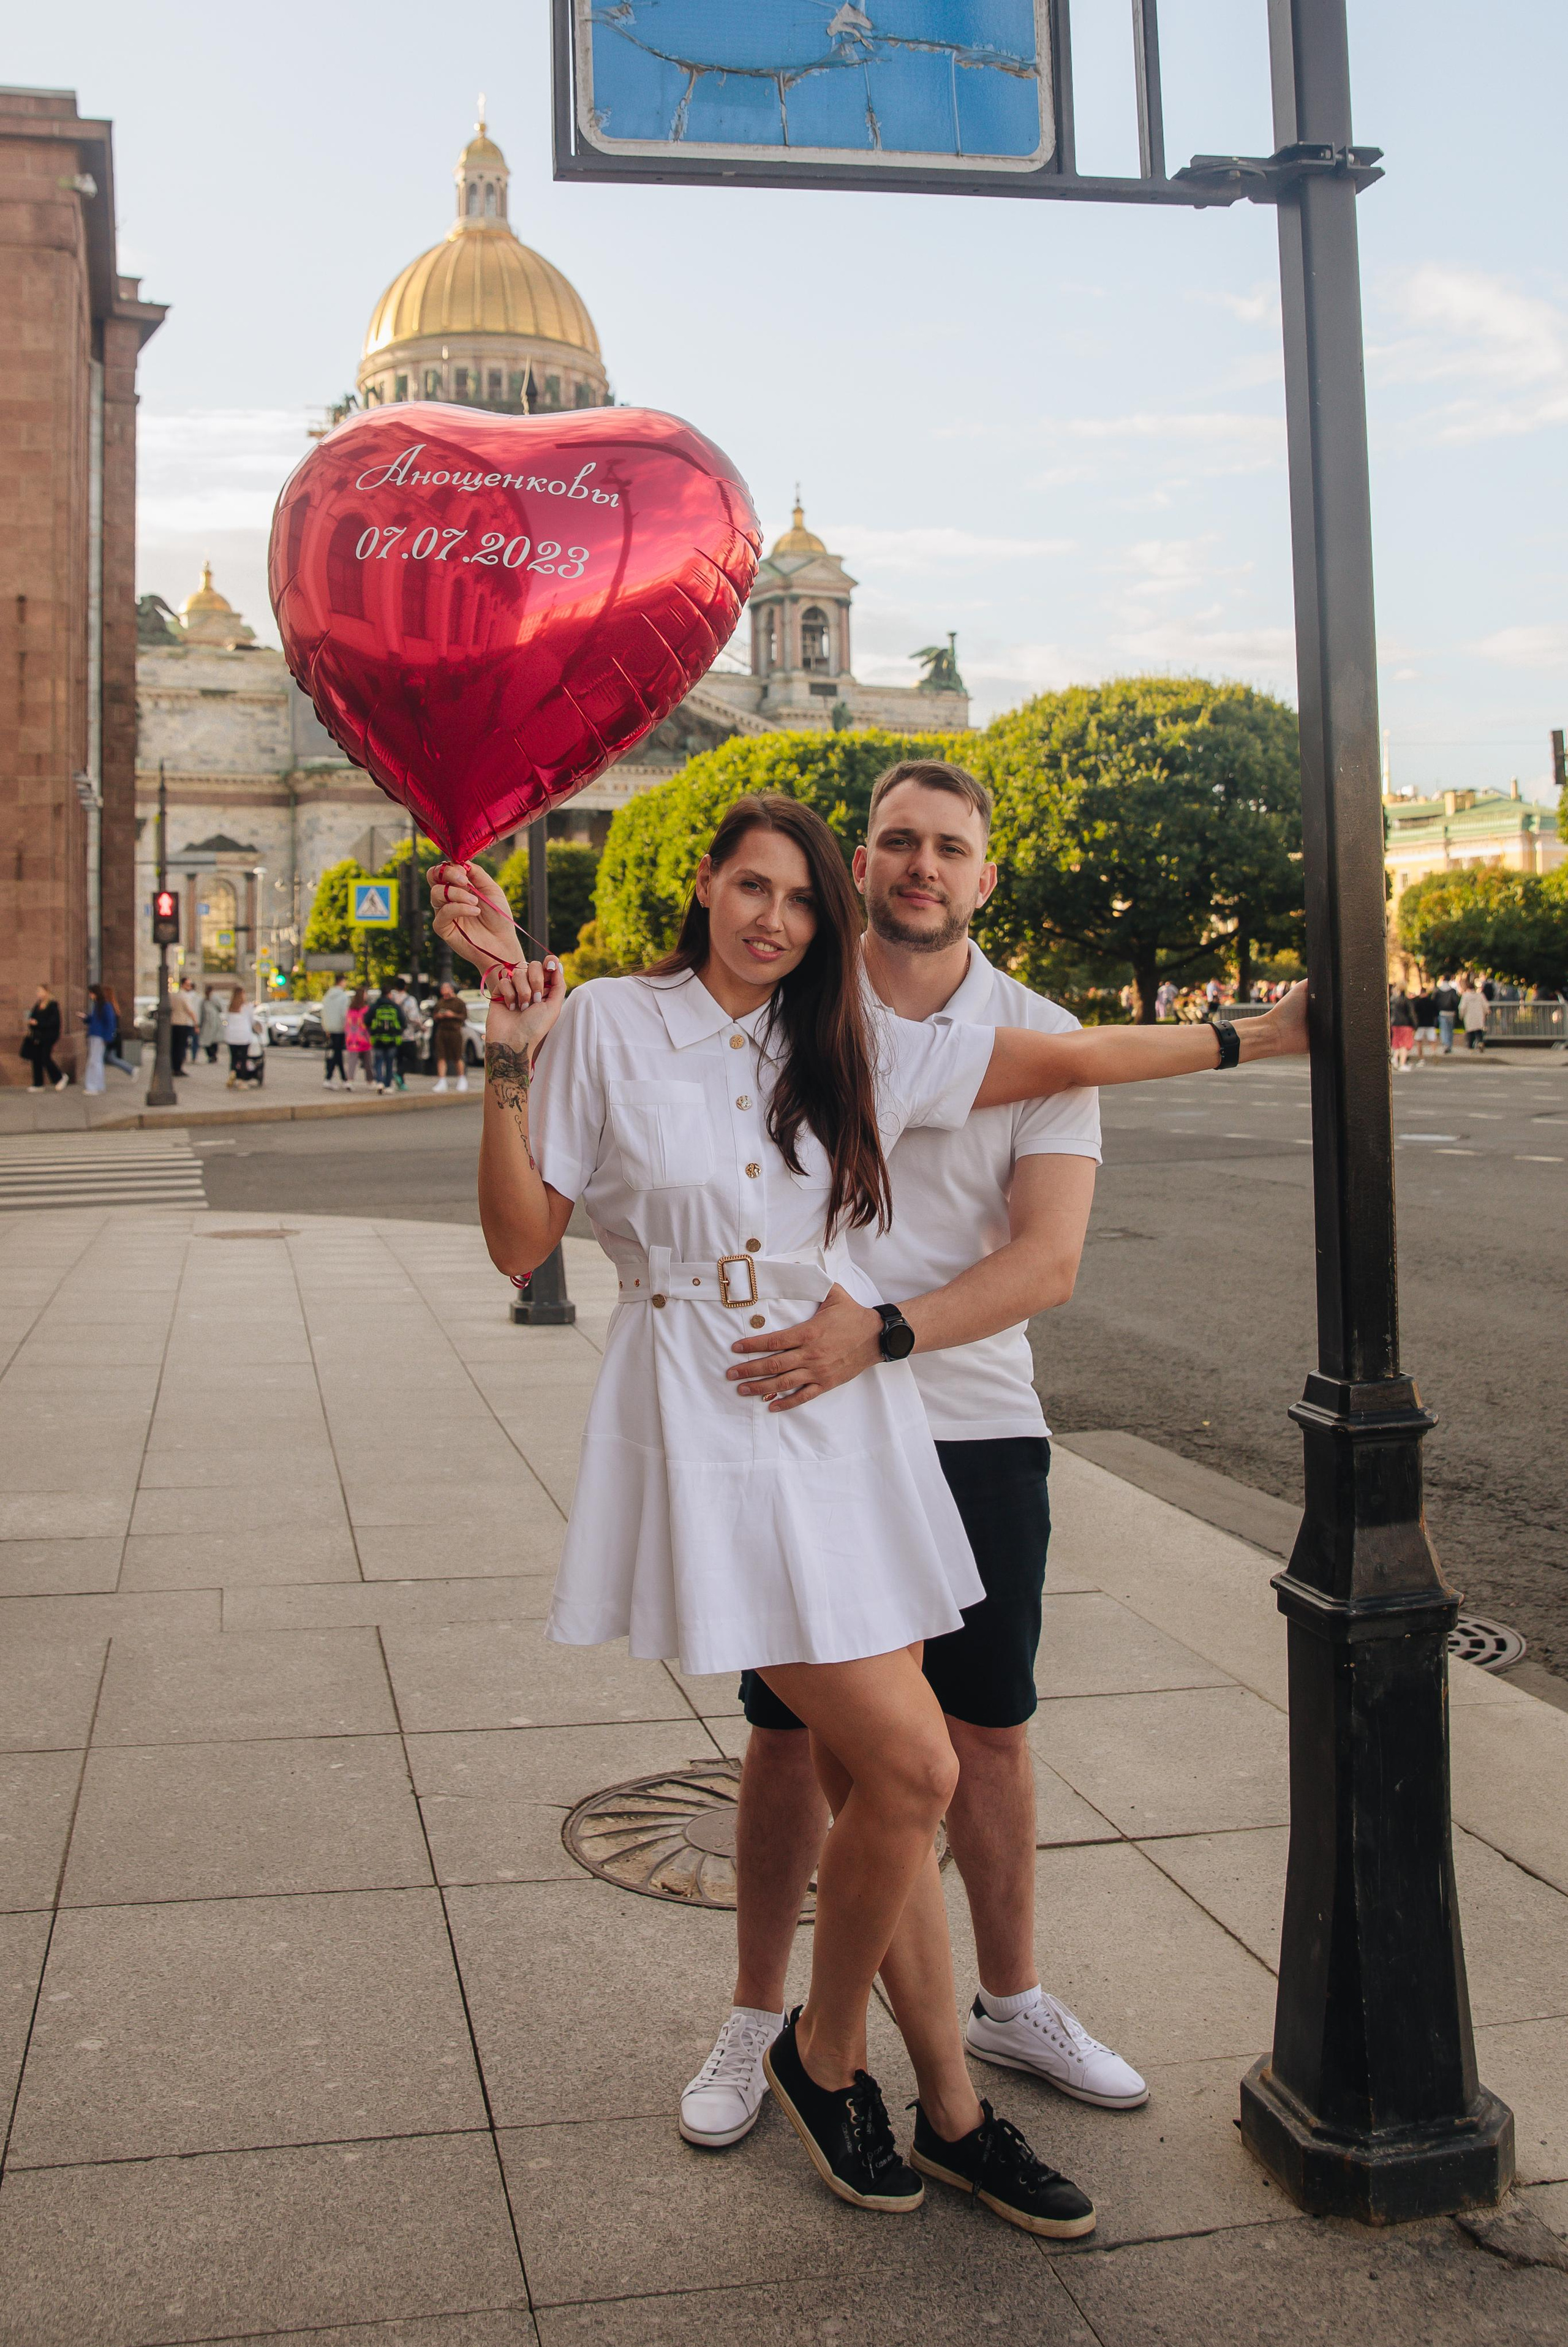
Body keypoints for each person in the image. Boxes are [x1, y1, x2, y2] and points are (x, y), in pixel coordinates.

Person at [431, 796, 1308, 2238]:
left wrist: (1250, 1039)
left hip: (846, 1415)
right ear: (702, 885)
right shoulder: (599, 1019)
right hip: (706, 1410)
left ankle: (946, 2107)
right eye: (751, 886)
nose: (773, 917)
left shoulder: (841, 1040)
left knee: (895, 1773)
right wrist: (506, 1061)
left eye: (797, 899)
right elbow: (522, 1240)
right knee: (908, 1768)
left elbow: (1069, 1053)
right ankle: (817, 2054)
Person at [678, 761, 1144, 2164]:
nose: (919, 866)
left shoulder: (1041, 1038)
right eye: (894, 842)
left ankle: (1010, 2000)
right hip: (810, 1438)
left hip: (974, 1421)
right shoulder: (788, 1019)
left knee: (987, 1732)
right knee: (784, 1736)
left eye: (948, 847)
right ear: (859, 866)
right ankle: (756, 2015)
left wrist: (875, 1334)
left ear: (984, 877)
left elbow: (1042, 1261)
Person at [21, 984, 68, 1091]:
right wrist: (32, 1023)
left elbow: (53, 1022)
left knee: (45, 1058)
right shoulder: (38, 1005)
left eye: (40, 991)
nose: (38, 993)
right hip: (37, 1036)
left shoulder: (52, 1005)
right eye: (37, 991)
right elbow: (32, 1018)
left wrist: (38, 1023)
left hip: (49, 1036)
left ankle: (60, 1077)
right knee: (36, 1058)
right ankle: (38, 1084)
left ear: (47, 992)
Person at [429, 981, 470, 1093]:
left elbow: (464, 1016)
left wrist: (453, 1015)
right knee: (441, 1057)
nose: (443, 990)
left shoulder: (459, 1002)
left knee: (457, 1056)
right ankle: (442, 1081)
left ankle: (462, 1079)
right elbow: (435, 1016)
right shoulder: (440, 1002)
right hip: (442, 1031)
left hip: (455, 1031)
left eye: (445, 987)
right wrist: (440, 1016)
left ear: (451, 989)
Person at [368, 985, 405, 1093]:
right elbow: (403, 1022)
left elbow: (367, 1021)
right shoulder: (395, 1007)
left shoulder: (375, 1006)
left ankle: (380, 1082)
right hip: (392, 1039)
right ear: (389, 994)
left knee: (378, 1061)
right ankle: (388, 1085)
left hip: (378, 1038)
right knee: (390, 1063)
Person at [82, 984, 119, 1094]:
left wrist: (107, 1037)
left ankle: (94, 1086)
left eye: (91, 993)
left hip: (99, 1036)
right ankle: (97, 1085)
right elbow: (95, 1020)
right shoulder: (98, 1006)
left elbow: (110, 1023)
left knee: (95, 1061)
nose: (90, 996)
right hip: (96, 1035)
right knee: (96, 1061)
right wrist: (86, 1018)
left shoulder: (105, 1006)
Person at [320, 978, 351, 1089]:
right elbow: (344, 1014)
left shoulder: (327, 996)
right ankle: (329, 1078)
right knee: (337, 1053)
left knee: (337, 1053)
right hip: (340, 1028)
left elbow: (324, 1012)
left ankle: (344, 1079)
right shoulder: (343, 996)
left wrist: (326, 1027)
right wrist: (347, 1027)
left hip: (330, 1027)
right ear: (341, 982)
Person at [224, 987, 257, 1087]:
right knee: (243, 1058)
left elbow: (226, 1020)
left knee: (234, 1058)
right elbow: (252, 1021)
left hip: (231, 1035)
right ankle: (242, 1080)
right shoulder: (247, 1007)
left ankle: (233, 1073)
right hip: (244, 1035)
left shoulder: (230, 1007)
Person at [345, 987, 373, 1085]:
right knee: (368, 1061)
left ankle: (350, 1080)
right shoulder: (366, 1009)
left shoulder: (350, 1010)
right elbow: (369, 1024)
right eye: (365, 994)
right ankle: (370, 1081)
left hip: (352, 1039)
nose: (367, 996)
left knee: (352, 1061)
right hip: (364, 1038)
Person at [168, 983, 198, 1077]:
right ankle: (178, 1068)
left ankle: (174, 1067)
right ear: (184, 985)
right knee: (181, 1047)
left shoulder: (173, 995)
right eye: (189, 985)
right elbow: (190, 1011)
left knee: (174, 1047)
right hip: (182, 1023)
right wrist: (196, 1023)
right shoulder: (184, 996)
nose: (190, 987)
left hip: (173, 1023)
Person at [1389, 984, 1415, 1072]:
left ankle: (1395, 1058)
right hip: (1405, 1024)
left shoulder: (1393, 1000)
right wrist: (1415, 1025)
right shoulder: (1406, 1000)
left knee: (1397, 1043)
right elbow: (1411, 1014)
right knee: (1404, 1044)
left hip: (1395, 1024)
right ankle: (1402, 1064)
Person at [1411, 983, 1439, 1067]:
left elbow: (1415, 1013)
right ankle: (1433, 1052)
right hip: (1430, 1024)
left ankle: (1421, 1059)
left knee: (1419, 1041)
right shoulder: (1432, 1002)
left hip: (1421, 1025)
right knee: (1432, 1040)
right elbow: (1436, 1013)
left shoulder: (1418, 1003)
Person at [1433, 974, 1461, 1055]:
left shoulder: (1439, 991)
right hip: (1451, 1012)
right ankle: (1449, 1045)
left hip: (1442, 1012)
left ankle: (1445, 1044)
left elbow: (1435, 1002)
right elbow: (1456, 1002)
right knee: (1450, 1030)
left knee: (1444, 1029)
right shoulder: (1452, 991)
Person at [198, 985, 224, 1064]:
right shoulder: (205, 1000)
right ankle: (212, 1055)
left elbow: (221, 1008)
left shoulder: (211, 999)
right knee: (209, 1041)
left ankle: (212, 1056)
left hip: (212, 1022)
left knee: (211, 1041)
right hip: (210, 1022)